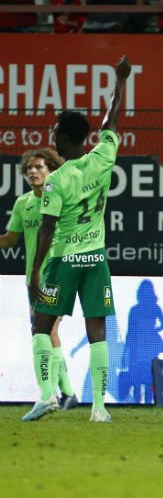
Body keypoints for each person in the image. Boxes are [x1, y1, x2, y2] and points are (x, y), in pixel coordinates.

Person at [25, 55, 131, 423]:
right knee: (98, 331)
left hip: (66, 259)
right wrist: (121, 81)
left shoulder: (58, 180)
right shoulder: (103, 156)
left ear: (63, 137)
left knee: (42, 325)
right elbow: (112, 119)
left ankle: (45, 396)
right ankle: (99, 410)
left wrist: (37, 270)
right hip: (96, 259)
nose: (51, 133)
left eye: (55, 130)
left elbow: (48, 229)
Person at [1, 148, 79, 411]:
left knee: (45, 330)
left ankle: (56, 394)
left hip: (58, 273)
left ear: (52, 170)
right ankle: (67, 393)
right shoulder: (23, 203)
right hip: (33, 279)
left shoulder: (64, 197)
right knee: (48, 331)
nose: (32, 172)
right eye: (28, 169)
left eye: (38, 167)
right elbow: (10, 239)